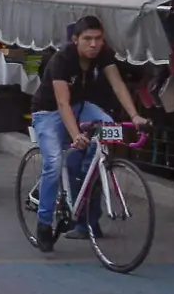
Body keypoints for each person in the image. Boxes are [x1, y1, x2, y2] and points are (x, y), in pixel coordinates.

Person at [30, 14, 146, 252]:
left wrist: (135, 116)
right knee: (53, 162)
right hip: (48, 112)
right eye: (88, 39)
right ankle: (43, 223)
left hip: (81, 107)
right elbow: (62, 103)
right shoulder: (62, 60)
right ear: (76, 40)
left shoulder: (103, 54)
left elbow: (117, 84)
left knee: (109, 126)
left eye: (98, 39)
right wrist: (75, 136)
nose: (94, 44)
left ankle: (89, 176)